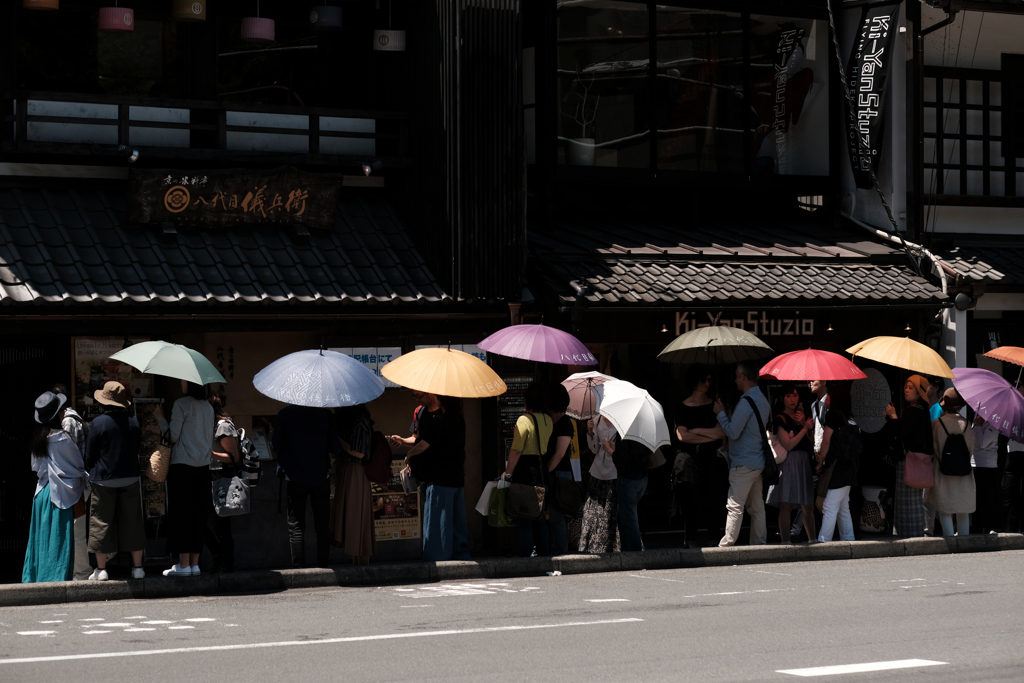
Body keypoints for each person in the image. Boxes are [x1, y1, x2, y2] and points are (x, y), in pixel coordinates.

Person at [23, 391, 88, 583]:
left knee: (40, 540)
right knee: (60, 540)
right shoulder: (62, 439)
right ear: (58, 414)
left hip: (42, 493)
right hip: (62, 495)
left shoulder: (38, 439)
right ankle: (56, 578)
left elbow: (36, 468)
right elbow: (77, 466)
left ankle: (37, 577)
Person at [84, 382, 145, 580]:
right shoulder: (133, 421)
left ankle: (101, 569)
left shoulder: (98, 423)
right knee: (133, 521)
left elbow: (90, 454)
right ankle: (137, 568)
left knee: (101, 522)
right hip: (130, 477)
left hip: (104, 478)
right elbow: (136, 448)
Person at [154, 381, 214, 577]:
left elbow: (172, 436)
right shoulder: (208, 406)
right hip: (203, 467)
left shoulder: (182, 404)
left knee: (181, 515)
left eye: (183, 380)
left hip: (182, 467)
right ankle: (195, 565)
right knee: (198, 515)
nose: (181, 382)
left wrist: (161, 418)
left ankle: (183, 564)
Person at [401, 394, 469, 561]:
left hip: (439, 477)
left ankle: (437, 559)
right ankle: (461, 557)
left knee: (437, 523)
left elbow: (424, 444)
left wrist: (409, 455)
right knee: (457, 522)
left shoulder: (441, 420)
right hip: (457, 477)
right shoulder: (459, 419)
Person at [273, 403, 341, 568]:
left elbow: (275, 445)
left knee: (296, 526)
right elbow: (335, 447)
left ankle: (298, 569)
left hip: (294, 476)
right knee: (322, 526)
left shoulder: (285, 414)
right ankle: (324, 566)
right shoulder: (325, 415)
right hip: (320, 475)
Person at [714, 361, 770, 547]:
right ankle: (759, 543)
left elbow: (733, 432)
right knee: (757, 507)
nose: (735, 379)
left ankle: (727, 544)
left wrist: (721, 413)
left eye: (737, 376)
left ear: (744, 377)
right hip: (758, 460)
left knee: (735, 506)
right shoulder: (763, 400)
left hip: (743, 463)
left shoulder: (746, 402)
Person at [673, 365, 727, 548]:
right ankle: (690, 541)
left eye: (710, 380)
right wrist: (709, 434)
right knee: (690, 503)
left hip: (711, 459)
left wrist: (695, 431)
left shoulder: (715, 405)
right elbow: (682, 436)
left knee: (714, 500)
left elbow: (722, 433)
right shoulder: (681, 407)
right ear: (694, 381)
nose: (707, 383)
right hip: (689, 461)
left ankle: (714, 539)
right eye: (703, 379)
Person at [502, 384, 554, 557]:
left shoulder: (524, 420)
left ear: (527, 401)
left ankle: (525, 556)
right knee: (539, 515)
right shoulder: (548, 420)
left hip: (525, 471)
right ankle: (544, 553)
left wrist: (508, 473)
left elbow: (516, 450)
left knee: (523, 515)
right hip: (541, 469)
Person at [882, 374, 933, 538]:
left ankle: (905, 533)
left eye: (911, 387)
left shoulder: (913, 411)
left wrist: (894, 416)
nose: (906, 390)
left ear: (919, 392)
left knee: (905, 500)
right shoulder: (923, 411)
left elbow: (901, 432)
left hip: (908, 460)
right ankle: (915, 531)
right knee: (915, 500)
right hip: (919, 461)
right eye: (906, 386)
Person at [50, 383, 92, 580]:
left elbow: (71, 457)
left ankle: (82, 571)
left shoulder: (68, 422)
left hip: (75, 484)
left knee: (76, 529)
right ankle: (78, 569)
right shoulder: (74, 417)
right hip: (77, 483)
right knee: (76, 527)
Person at [766, 385, 817, 544]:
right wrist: (804, 429)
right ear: (782, 399)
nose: (792, 399)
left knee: (807, 505)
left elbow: (813, 442)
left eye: (795, 396)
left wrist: (803, 424)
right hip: (789, 462)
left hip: (804, 461)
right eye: (788, 396)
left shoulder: (803, 416)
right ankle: (785, 541)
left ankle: (812, 539)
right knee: (786, 504)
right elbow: (788, 444)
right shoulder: (780, 419)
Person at [925, 388, 976, 537]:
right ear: (960, 406)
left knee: (944, 507)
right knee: (963, 508)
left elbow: (933, 448)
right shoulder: (966, 424)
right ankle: (964, 539)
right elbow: (971, 448)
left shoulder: (937, 423)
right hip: (963, 472)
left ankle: (949, 538)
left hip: (942, 471)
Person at [332, 405, 377, 565]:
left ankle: (361, 558)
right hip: (349, 469)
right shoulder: (354, 422)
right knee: (353, 514)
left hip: (355, 470)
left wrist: (339, 440)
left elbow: (359, 452)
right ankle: (357, 558)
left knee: (355, 514)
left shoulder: (359, 422)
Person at [205, 391, 240, 573]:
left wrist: (209, 453)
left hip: (221, 476)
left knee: (221, 524)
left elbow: (233, 457)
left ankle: (227, 562)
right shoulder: (208, 425)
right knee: (201, 521)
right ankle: (219, 555)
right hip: (209, 475)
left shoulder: (223, 426)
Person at [815, 405, 858, 543]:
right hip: (850, 465)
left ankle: (824, 540)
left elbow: (826, 440)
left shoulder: (833, 414)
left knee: (829, 506)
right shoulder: (850, 417)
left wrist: (820, 459)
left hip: (837, 467)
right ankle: (848, 539)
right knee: (843, 507)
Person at [604, 433, 652, 552]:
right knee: (624, 517)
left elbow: (622, 462)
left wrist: (610, 450)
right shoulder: (643, 432)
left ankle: (635, 554)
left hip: (628, 479)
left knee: (629, 518)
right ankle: (626, 551)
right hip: (642, 478)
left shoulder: (626, 434)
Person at [580, 414, 620, 553]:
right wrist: (590, 432)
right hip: (598, 470)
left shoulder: (621, 419)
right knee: (593, 510)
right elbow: (594, 449)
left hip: (615, 469)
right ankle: (593, 545)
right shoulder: (596, 420)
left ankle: (614, 546)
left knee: (612, 510)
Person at [545, 385, 578, 555]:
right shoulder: (547, 419)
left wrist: (545, 472)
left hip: (560, 473)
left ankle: (559, 552)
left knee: (557, 517)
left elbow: (559, 454)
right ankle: (555, 549)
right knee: (553, 516)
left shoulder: (565, 422)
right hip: (556, 472)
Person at [972, 415, 1001, 533]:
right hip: (975, 463)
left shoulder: (995, 422)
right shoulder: (977, 418)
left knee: (986, 499)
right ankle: (977, 526)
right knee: (976, 499)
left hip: (987, 465)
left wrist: (978, 426)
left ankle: (987, 527)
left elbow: (983, 442)